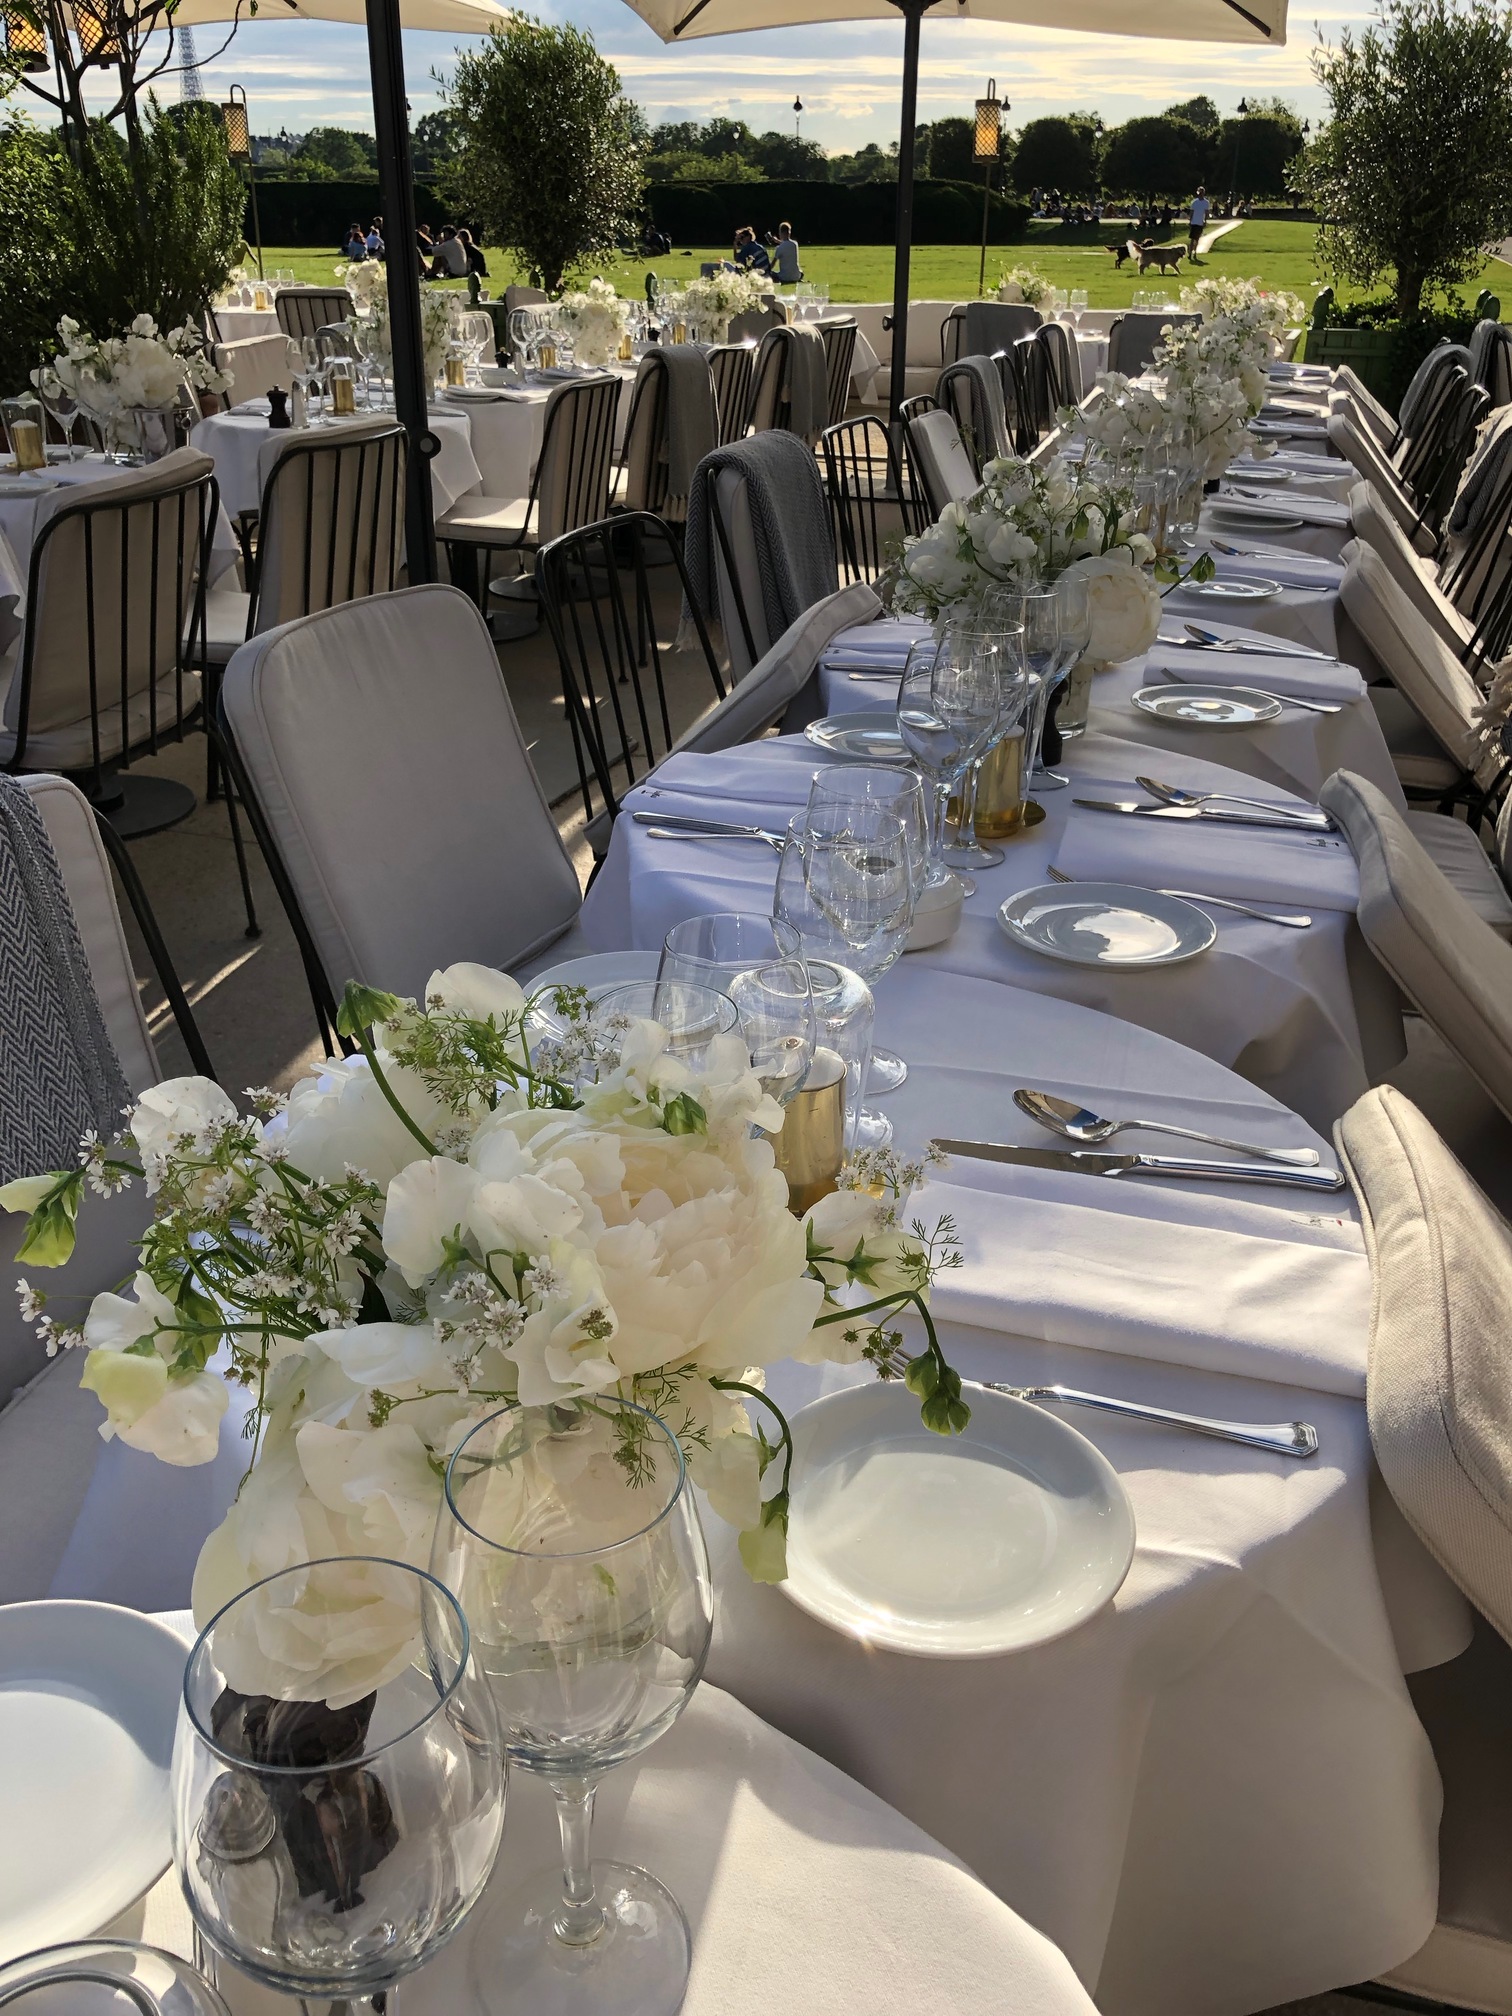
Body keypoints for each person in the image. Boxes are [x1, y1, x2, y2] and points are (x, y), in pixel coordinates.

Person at [1187, 185, 1209, 258]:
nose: (1201, 194)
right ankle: (1190, 253)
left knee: (1197, 239)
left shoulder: (1206, 202)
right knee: (1192, 239)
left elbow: (1206, 213)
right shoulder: (1194, 202)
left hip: (1200, 222)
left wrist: (1205, 221)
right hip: (1194, 222)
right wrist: (1190, 221)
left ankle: (1195, 252)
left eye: (1202, 192)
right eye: (1200, 192)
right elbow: (1192, 212)